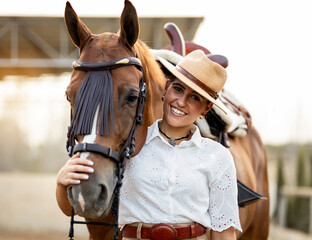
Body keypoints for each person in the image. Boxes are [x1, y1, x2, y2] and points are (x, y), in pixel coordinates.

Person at [56, 50, 242, 240]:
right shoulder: (130, 144)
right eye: (178, 89)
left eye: (195, 98)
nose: (181, 102)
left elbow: (223, 232)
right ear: (166, 88)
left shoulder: (218, 157)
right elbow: (73, 208)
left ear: (206, 108)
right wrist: (62, 181)